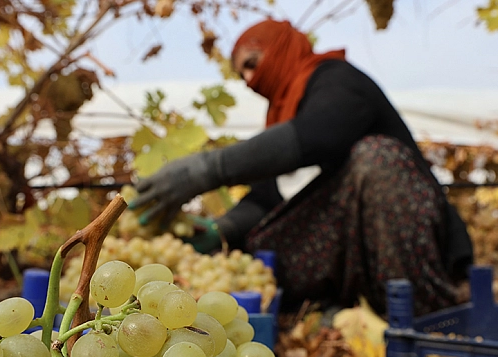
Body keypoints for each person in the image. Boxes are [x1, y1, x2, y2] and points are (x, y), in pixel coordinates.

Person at [130, 19, 472, 317]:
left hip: (412, 255)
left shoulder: (339, 81)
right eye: (242, 74)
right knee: (261, 234)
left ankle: (423, 311)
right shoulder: (283, 116)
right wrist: (221, 230)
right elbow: (269, 196)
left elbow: (320, 134)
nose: (249, 80)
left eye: (252, 63)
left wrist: (208, 168)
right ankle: (333, 307)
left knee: (376, 158)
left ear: (280, 47)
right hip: (356, 263)